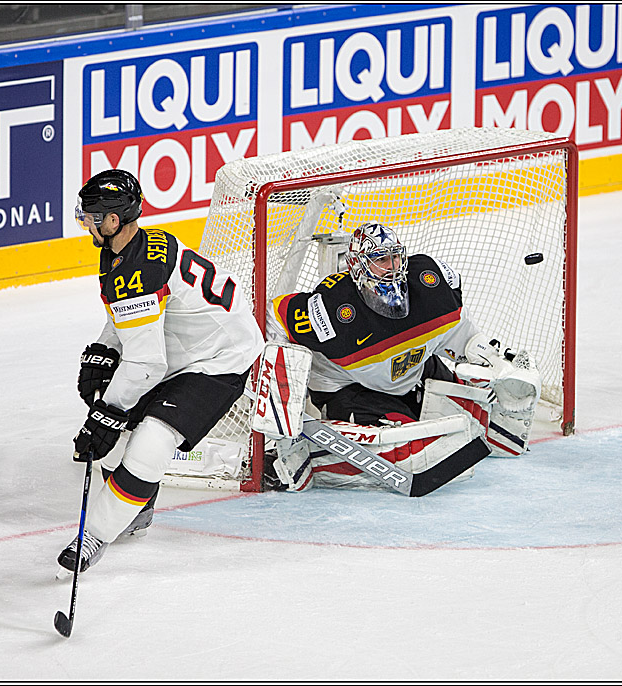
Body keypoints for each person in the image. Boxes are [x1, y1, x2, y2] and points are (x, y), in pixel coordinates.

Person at [59, 169, 264, 573]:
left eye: (92, 215)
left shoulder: (134, 265)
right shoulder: (134, 245)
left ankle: (96, 535)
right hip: (187, 346)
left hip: (221, 358)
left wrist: (109, 414)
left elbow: (148, 363)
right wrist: (105, 348)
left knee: (152, 437)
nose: (87, 221)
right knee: (106, 400)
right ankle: (134, 507)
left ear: (113, 220)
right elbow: (130, 314)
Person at [264, 221, 540, 490]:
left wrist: (492, 361)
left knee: (482, 414)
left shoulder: (430, 283)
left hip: (416, 371)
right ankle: (313, 454)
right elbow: (275, 314)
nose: (392, 266)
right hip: (352, 388)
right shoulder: (333, 309)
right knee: (413, 454)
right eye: (381, 259)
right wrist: (283, 400)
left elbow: (460, 333)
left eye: (396, 257)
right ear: (358, 267)